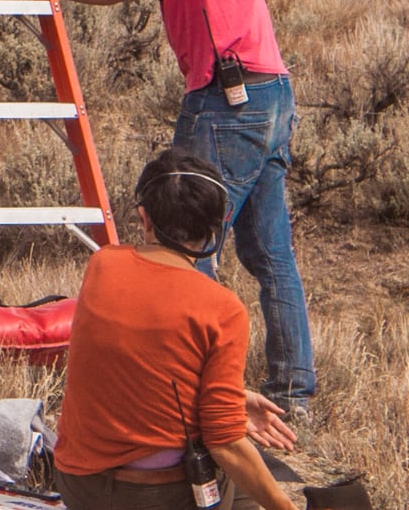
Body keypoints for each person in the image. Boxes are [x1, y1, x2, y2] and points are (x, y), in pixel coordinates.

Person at [0, 0, 314, 423]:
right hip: (258, 94)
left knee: (185, 247)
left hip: (230, 100)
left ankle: (194, 397)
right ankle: (291, 394)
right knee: (266, 251)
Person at [55, 147, 304, 510]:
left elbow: (141, 364)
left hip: (78, 486)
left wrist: (233, 399)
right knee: (245, 482)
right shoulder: (222, 308)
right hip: (153, 497)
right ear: (216, 228)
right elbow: (225, 443)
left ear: (145, 218)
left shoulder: (102, 265)